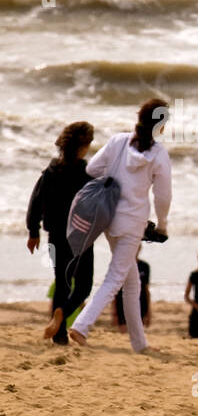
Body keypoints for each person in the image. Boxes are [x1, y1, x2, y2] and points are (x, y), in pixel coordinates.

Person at [69, 100, 172, 352]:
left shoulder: (117, 141)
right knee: (115, 277)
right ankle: (81, 326)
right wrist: (162, 226)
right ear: (160, 127)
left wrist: (115, 179)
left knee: (131, 281)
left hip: (108, 217)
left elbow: (93, 168)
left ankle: (140, 344)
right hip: (133, 222)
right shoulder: (158, 154)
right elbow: (163, 197)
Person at [26, 122, 96, 345]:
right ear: (82, 146)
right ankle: (62, 314)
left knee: (62, 282)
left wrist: (33, 231)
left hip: (55, 235)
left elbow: (35, 201)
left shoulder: (50, 172)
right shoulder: (86, 174)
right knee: (83, 286)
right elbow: (97, 204)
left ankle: (59, 335)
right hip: (81, 236)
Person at [113, 247, 151, 331]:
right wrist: (114, 312)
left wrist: (148, 312)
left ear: (140, 249)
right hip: (122, 303)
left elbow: (147, 289)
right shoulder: (121, 265)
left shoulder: (145, 266)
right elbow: (115, 289)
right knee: (123, 332)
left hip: (140, 302)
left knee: (138, 330)